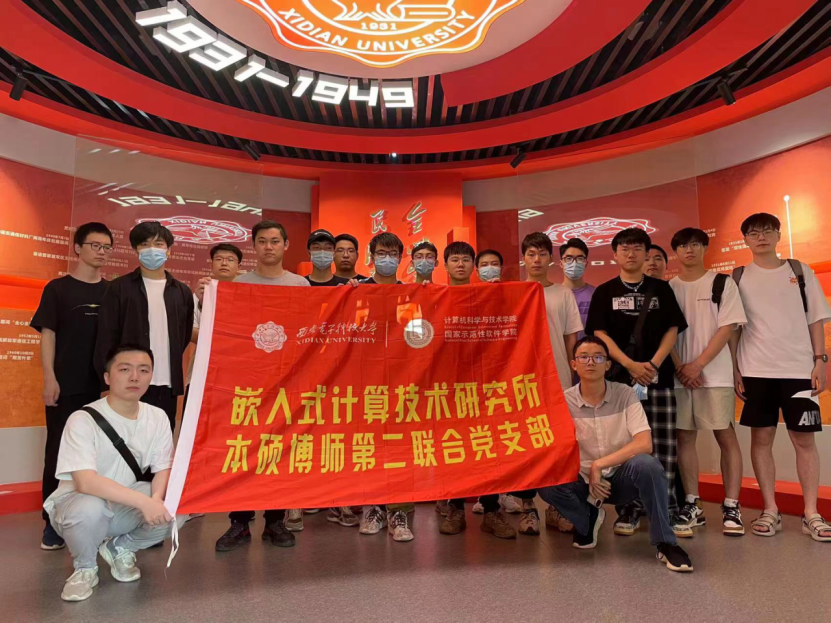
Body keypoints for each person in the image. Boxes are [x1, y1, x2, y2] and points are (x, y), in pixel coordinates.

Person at [44, 344, 188, 601]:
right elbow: (86, 482)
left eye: (143, 370)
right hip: (75, 506)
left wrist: (156, 500)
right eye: (124, 369)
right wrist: (145, 502)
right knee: (90, 507)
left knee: (178, 504)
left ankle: (120, 548)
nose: (135, 377)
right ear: (108, 377)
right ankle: (85, 568)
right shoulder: (83, 419)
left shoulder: (157, 417)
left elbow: (163, 467)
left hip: (122, 503)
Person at [538, 337, 694, 572]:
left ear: (608, 365)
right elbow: (553, 449)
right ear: (573, 364)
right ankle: (588, 518)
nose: (591, 362)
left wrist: (599, 465)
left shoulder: (625, 394)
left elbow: (644, 443)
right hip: (582, 482)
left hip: (620, 479)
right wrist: (585, 471)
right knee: (546, 480)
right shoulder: (562, 401)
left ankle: (666, 543)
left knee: (648, 465)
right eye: (584, 357)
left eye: (598, 357)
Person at [729, 213, 831, 542]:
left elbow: (816, 319)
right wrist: (735, 368)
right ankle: (770, 509)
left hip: (799, 371)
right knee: (761, 440)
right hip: (756, 372)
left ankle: (811, 512)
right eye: (754, 232)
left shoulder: (799, 271)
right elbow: (733, 328)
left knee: (805, 441)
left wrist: (820, 361)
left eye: (767, 231)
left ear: (778, 235)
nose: (761, 237)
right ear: (745, 239)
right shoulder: (738, 277)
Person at [585, 227, 691, 538]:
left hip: (659, 378)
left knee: (664, 445)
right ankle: (629, 510)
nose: (631, 254)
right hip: (619, 381)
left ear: (646, 254)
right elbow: (600, 335)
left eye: (637, 248)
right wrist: (630, 365)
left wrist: (653, 364)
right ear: (615, 254)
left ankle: (667, 508)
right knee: (624, 445)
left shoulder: (662, 289)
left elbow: (672, 330)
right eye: (625, 249)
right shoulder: (604, 292)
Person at [479, 233, 585, 539]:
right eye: (531, 254)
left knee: (557, 446)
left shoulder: (563, 294)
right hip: (520, 382)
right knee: (524, 445)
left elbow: (571, 340)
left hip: (557, 380)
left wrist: (572, 377)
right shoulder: (513, 292)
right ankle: (527, 507)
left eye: (542, 254)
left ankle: (556, 507)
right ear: (523, 259)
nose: (536, 260)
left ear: (550, 259)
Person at [215, 220, 309, 552]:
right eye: (262, 241)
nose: (269, 247)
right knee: (243, 449)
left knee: (279, 450)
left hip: (286, 380)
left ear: (286, 245)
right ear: (253, 246)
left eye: (274, 241)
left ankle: (275, 521)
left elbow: (310, 329)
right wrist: (206, 300)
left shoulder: (300, 285)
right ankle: (239, 523)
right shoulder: (238, 284)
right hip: (247, 382)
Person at [31, 222, 114, 551]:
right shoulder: (58, 289)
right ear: (78, 248)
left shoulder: (113, 292)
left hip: (105, 389)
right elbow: (48, 335)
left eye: (107, 247)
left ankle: (98, 520)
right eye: (95, 245)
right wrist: (49, 377)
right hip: (66, 384)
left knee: (101, 455)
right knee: (58, 453)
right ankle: (52, 523)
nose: (101, 252)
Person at [669, 228, 747, 536]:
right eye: (683, 246)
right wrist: (681, 367)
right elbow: (666, 334)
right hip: (680, 378)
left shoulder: (722, 283)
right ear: (676, 252)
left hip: (715, 376)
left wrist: (697, 365)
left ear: (704, 248)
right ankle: (692, 503)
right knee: (684, 438)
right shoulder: (669, 288)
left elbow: (727, 329)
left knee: (725, 436)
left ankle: (732, 505)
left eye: (695, 244)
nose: (689, 250)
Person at [94, 221, 194, 433]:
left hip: (167, 383)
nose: (152, 249)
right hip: (128, 382)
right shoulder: (118, 288)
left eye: (158, 244)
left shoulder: (182, 292)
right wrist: (107, 381)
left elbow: (183, 335)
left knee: (161, 440)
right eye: (144, 244)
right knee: (126, 439)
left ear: (169, 250)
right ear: (136, 250)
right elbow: (107, 337)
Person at [349, 232, 415, 542]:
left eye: (392, 253)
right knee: (370, 446)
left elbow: (419, 335)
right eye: (381, 253)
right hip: (366, 382)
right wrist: (346, 296)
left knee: (400, 446)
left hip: (403, 382)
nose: (387, 258)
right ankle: (373, 507)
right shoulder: (357, 291)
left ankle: (398, 511)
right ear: (372, 257)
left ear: (400, 258)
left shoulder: (410, 294)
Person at [468, 248, 524, 518]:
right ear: (477, 270)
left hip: (506, 375)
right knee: (481, 439)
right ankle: (484, 493)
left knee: (506, 436)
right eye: (484, 264)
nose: (489, 268)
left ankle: (507, 492)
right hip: (475, 378)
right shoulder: (468, 296)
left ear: (501, 268)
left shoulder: (513, 295)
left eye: (494, 264)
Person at [436, 242, 477, 535]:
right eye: (454, 260)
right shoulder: (434, 297)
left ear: (473, 264)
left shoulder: (488, 295)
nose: (460, 264)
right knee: (452, 448)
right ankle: (455, 508)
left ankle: (492, 509)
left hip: (484, 384)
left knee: (487, 446)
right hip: (445, 387)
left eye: (465, 259)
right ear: (445, 265)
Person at [560, 238, 595, 334]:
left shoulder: (597, 294)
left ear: (586, 263)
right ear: (561, 263)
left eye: (580, 258)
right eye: (569, 258)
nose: (574, 263)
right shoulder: (554, 295)